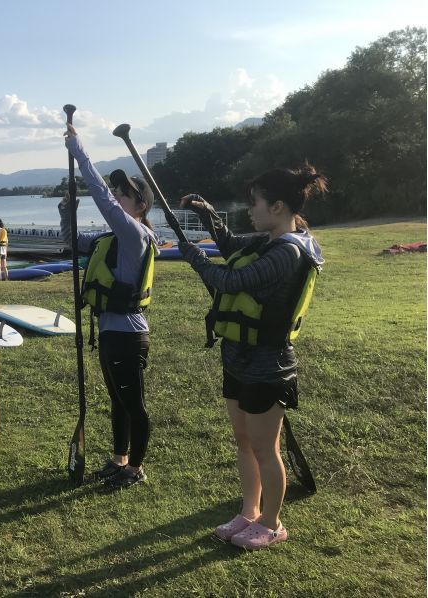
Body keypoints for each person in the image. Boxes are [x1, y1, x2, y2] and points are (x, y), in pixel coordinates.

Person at [176, 164, 327, 549]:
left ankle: (273, 523)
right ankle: (249, 512)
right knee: (244, 441)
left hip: (268, 362)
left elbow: (231, 280)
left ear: (277, 206)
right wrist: (207, 215)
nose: (249, 211)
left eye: (254, 203)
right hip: (237, 356)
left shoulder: (287, 253)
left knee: (264, 447)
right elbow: (230, 247)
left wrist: (194, 257)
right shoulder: (270, 239)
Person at [60, 124, 159, 490]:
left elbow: (101, 197)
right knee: (117, 400)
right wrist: (65, 212)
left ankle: (136, 467)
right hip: (111, 332)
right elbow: (73, 242)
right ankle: (119, 459)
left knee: (134, 404)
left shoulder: (135, 235)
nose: (117, 195)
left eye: (125, 194)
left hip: (128, 336)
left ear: (141, 206)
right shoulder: (112, 239)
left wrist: (78, 151)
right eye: (118, 190)